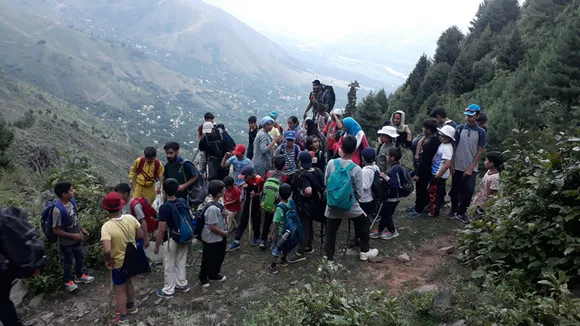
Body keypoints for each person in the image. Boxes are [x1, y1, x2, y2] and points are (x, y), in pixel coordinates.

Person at [324, 135, 379, 261]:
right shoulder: (356, 168)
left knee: (331, 232)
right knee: (364, 222)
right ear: (355, 150)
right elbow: (359, 193)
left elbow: (326, 183)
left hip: (332, 205)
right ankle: (364, 251)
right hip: (350, 206)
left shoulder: (332, 163)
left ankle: (329, 259)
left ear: (341, 147)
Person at [100, 192, 144, 325]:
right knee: (129, 282)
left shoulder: (107, 227)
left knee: (119, 289)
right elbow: (140, 235)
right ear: (120, 207)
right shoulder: (130, 218)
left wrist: (109, 260)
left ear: (106, 209)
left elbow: (107, 249)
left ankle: (123, 317)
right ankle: (131, 306)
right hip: (131, 259)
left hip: (118, 262)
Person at [51, 181, 94, 292]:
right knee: (68, 262)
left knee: (80, 257)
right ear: (64, 194)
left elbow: (75, 218)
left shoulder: (72, 203)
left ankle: (79, 275)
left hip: (77, 238)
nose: (73, 191)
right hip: (66, 242)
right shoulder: (57, 210)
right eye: (70, 190)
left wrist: (82, 229)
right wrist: (72, 236)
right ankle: (68, 281)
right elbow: (56, 230)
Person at [450, 104, 487, 223]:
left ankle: (462, 212)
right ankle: (453, 210)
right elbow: (454, 146)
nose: (468, 118)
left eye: (471, 116)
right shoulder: (460, 128)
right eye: (467, 115)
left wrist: (471, 167)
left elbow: (480, 150)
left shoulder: (481, 132)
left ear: (477, 116)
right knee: (455, 189)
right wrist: (451, 162)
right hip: (457, 164)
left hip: (471, 166)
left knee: (469, 189)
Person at [154, 179, 191, 298]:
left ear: (164, 191)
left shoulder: (164, 207)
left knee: (169, 263)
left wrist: (156, 245)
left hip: (170, 239)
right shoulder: (182, 201)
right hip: (184, 236)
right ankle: (182, 284)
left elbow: (161, 230)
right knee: (181, 260)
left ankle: (169, 290)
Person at [287, 151, 325, 263]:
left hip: (305, 206)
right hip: (316, 205)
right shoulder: (317, 171)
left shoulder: (302, 175)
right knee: (309, 225)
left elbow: (308, 191)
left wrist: (303, 193)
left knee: (304, 228)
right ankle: (308, 245)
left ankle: (300, 252)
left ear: (299, 162)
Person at [370, 147, 406, 240]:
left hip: (393, 197)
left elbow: (395, 184)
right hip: (389, 196)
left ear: (392, 158)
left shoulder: (396, 168)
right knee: (385, 214)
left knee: (387, 215)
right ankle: (380, 231)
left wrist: (385, 177)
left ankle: (393, 231)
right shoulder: (394, 166)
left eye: (388, 155)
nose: (386, 156)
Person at [199, 180, 230, 287]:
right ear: (218, 193)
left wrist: (224, 214)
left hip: (219, 237)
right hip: (211, 238)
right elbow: (212, 227)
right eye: (223, 190)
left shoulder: (219, 202)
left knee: (219, 256)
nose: (225, 191)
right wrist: (224, 234)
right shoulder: (212, 208)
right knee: (208, 258)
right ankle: (203, 277)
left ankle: (214, 274)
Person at [409, 119, 441, 218]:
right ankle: (419, 206)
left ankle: (419, 210)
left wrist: (418, 174)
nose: (423, 130)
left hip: (424, 170)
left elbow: (424, 161)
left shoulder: (429, 143)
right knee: (422, 189)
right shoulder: (435, 140)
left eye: (424, 128)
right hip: (427, 169)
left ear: (429, 130)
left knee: (421, 189)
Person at [229, 166, 264, 251]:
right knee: (243, 220)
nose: (244, 178)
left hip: (256, 202)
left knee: (256, 220)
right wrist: (246, 188)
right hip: (248, 200)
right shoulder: (246, 179)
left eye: (245, 176)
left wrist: (255, 194)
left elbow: (262, 192)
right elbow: (246, 186)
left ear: (251, 175)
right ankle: (237, 240)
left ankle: (256, 236)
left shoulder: (260, 180)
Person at [428, 125, 455, 217]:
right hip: (435, 172)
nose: (440, 137)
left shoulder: (447, 148)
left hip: (439, 174)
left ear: (448, 138)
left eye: (442, 136)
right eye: (440, 135)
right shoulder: (443, 145)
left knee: (435, 193)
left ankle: (434, 211)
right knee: (433, 191)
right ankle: (432, 207)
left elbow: (447, 163)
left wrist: (438, 175)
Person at [267, 183, 293, 274]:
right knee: (285, 246)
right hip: (289, 231)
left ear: (279, 194)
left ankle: (273, 266)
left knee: (276, 248)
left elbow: (276, 222)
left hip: (280, 232)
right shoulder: (291, 203)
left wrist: (271, 233)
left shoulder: (279, 208)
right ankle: (283, 260)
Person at [114, 183, 150, 249]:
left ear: (125, 194)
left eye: (118, 194)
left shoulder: (135, 205)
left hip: (138, 236)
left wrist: (146, 238)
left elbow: (143, 221)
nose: (117, 196)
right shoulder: (121, 204)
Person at [471, 151, 502, 217]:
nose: (484, 162)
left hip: (485, 205)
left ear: (491, 163)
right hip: (479, 201)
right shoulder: (488, 172)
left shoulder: (495, 178)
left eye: (486, 160)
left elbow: (494, 193)